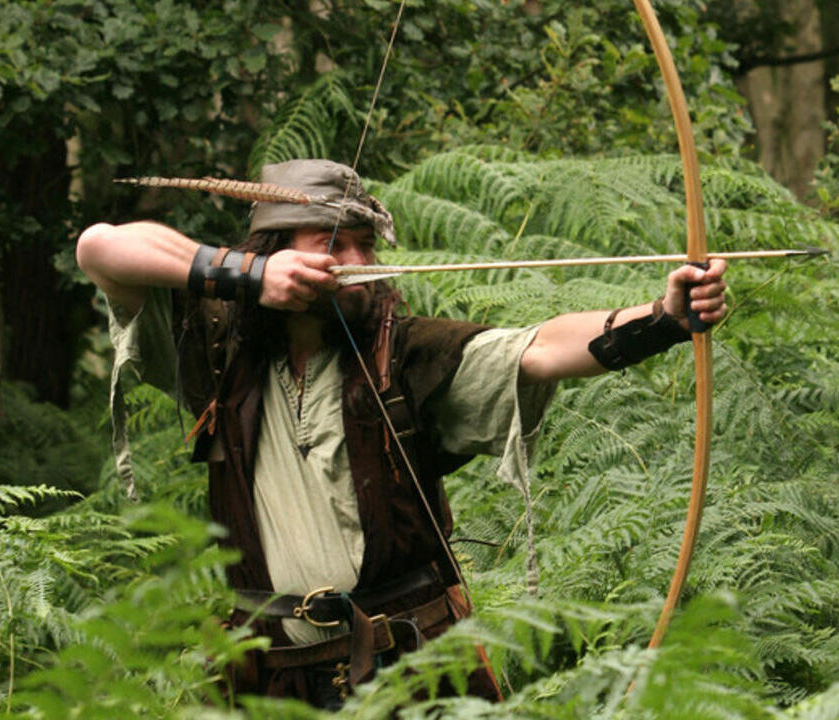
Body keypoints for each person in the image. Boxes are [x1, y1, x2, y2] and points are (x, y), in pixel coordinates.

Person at [76, 159, 727, 709]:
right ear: (274, 253)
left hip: (409, 669)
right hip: (266, 678)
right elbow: (100, 248)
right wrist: (249, 279)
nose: (358, 263)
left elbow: (540, 350)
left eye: (366, 246)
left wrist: (665, 317)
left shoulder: (406, 353)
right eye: (331, 242)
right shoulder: (216, 348)